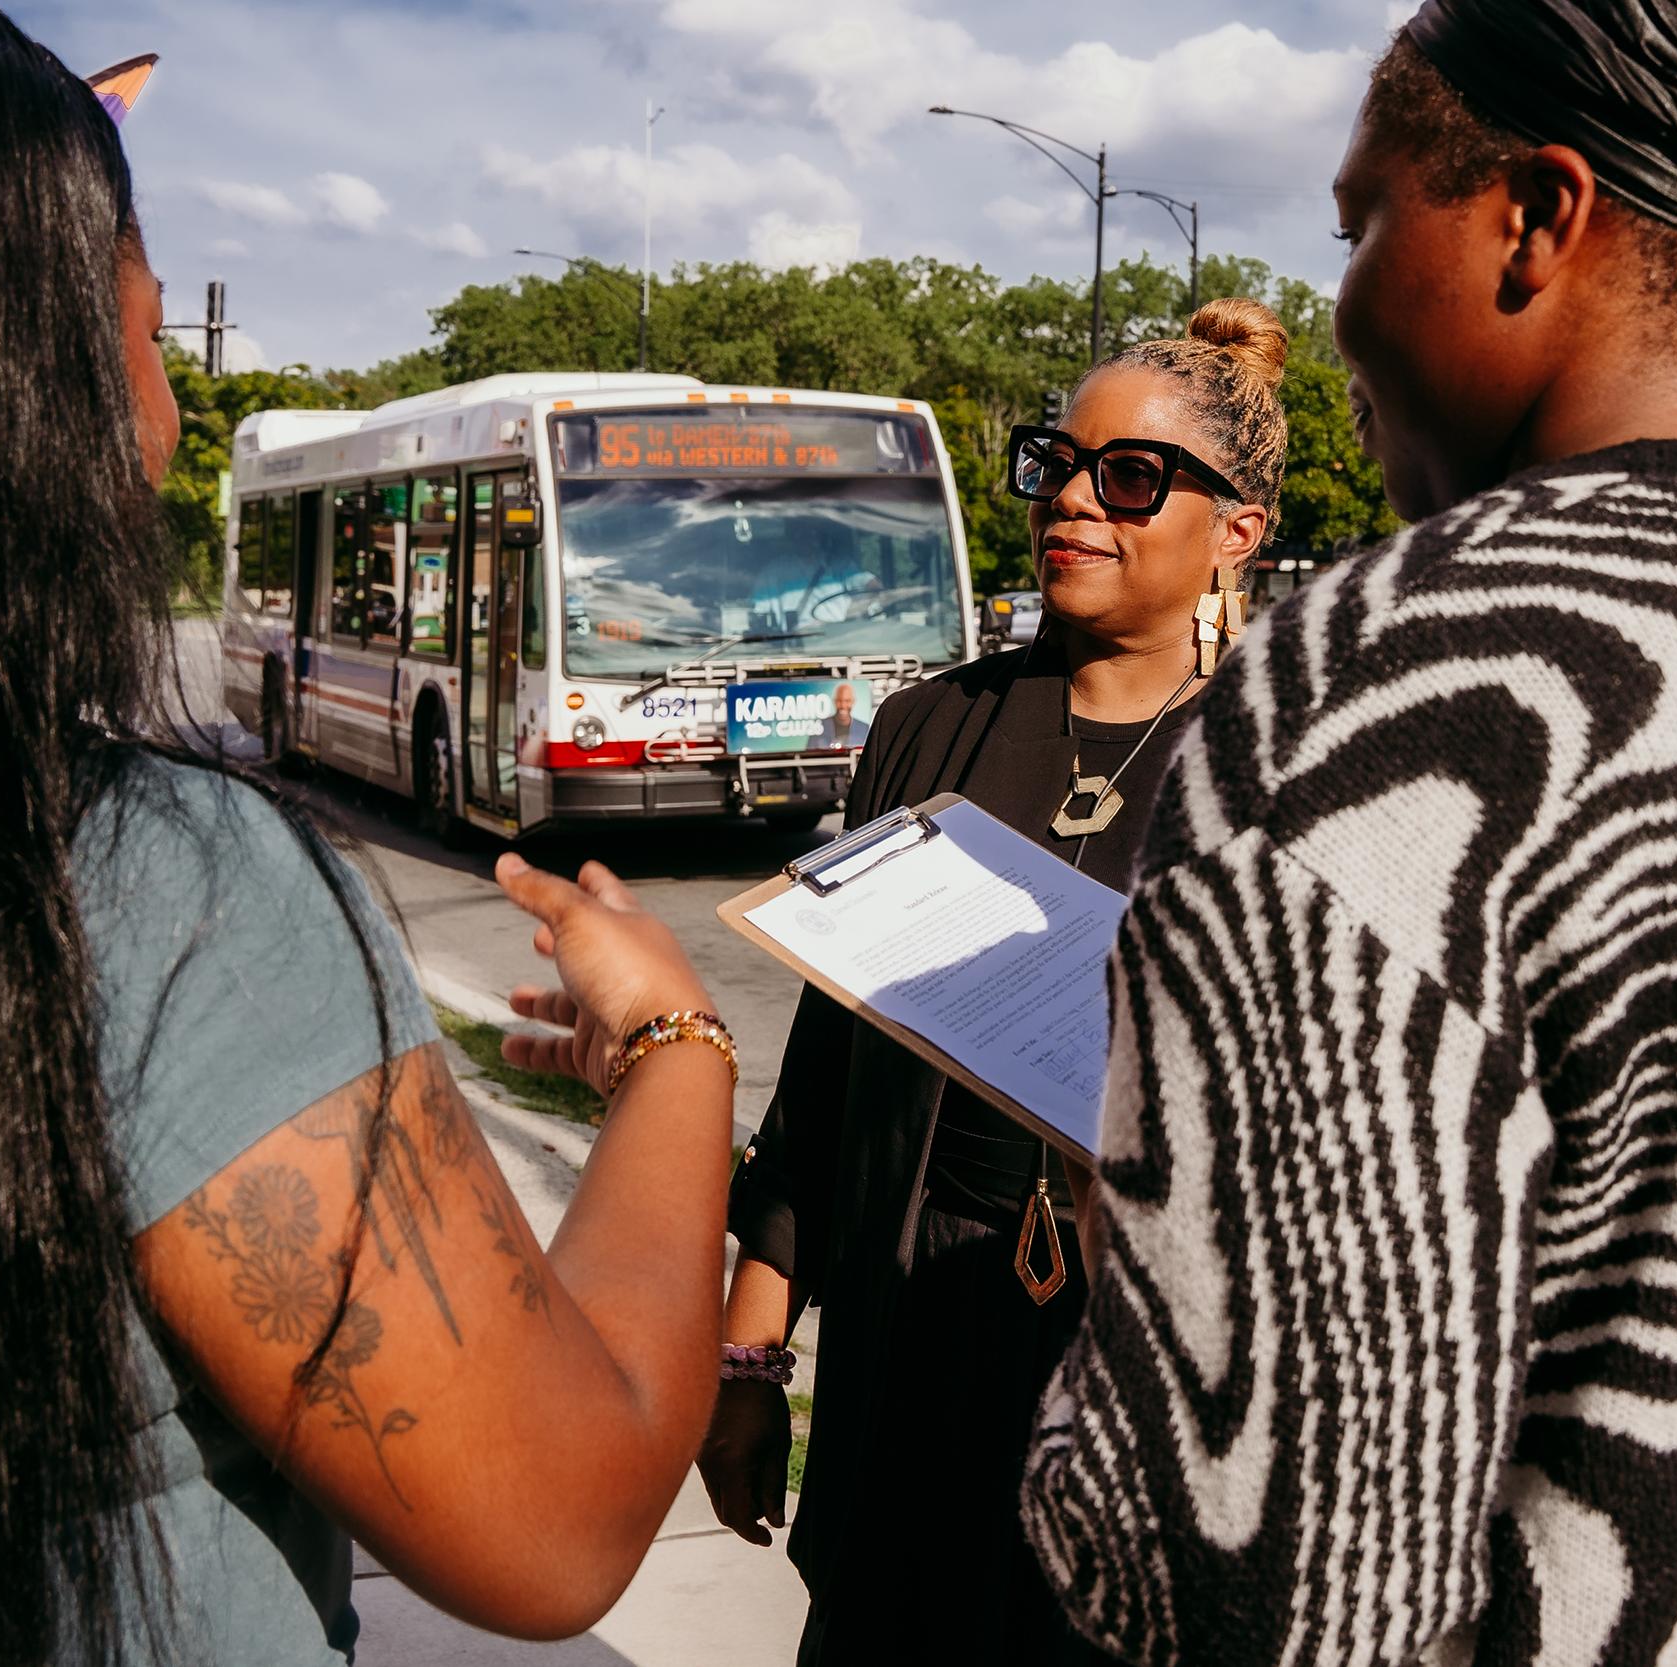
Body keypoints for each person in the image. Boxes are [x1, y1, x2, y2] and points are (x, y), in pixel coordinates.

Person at [1021, 1, 1677, 1662]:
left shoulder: (1396, 674)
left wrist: (1146, 1270)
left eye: (1366, 220)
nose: (1342, 299)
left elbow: (1254, 1570)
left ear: (1534, 219)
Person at [0, 6, 732, 1663]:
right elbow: (558, 1514)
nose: (161, 427)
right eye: (141, 338)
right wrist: (676, 1051)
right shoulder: (159, 890)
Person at [700, 300, 1293, 1663]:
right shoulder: (932, 729)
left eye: (1131, 475)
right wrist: (748, 1365)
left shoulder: (1281, 762)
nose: (1074, 497)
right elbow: (828, 1084)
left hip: (1139, 1377)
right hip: (917, 1337)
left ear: (1238, 527)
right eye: (1057, 459)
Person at [805, 682, 870, 751]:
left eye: (847, 701)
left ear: (853, 702)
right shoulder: (818, 726)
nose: (843, 705)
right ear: (834, 701)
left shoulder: (865, 729)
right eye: (839, 700)